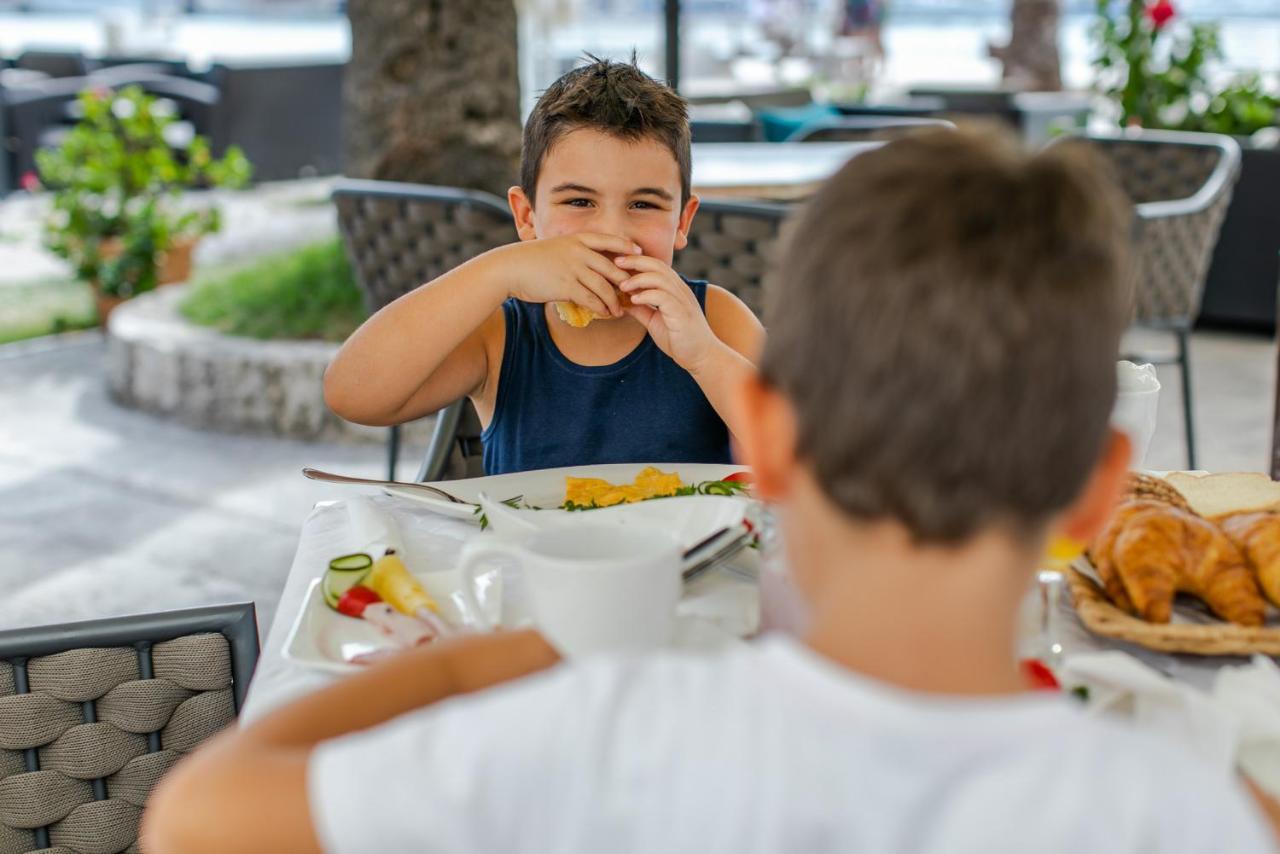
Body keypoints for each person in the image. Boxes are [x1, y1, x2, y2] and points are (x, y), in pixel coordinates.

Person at [142, 127, 1280, 853]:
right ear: (1100, 494)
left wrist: (513, 657)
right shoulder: (1181, 795)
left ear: (770, 444)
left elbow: (195, 818)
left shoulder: (596, 733)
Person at [322, 57, 763, 475]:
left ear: (682, 222)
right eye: (578, 201)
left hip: (691, 555)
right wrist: (502, 271)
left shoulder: (715, 320)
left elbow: (808, 463)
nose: (611, 234)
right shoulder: (498, 334)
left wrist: (705, 357)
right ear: (527, 217)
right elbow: (353, 395)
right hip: (530, 555)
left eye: (643, 204)